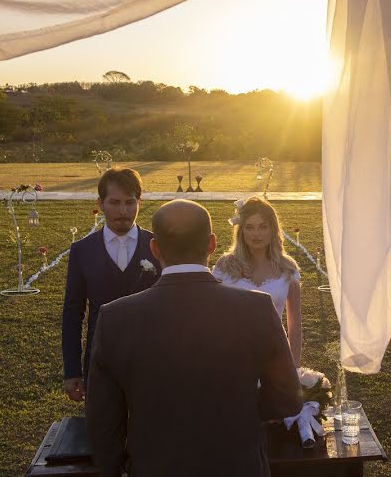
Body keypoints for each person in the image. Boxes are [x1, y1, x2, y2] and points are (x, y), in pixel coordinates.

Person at [85, 200, 302, 477]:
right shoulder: (257, 309)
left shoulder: (115, 317)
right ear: (211, 244)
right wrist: (241, 405)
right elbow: (287, 398)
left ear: (154, 249)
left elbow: (102, 422)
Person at [61, 167, 161, 402]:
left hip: (152, 360)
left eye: (129, 202)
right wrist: (73, 370)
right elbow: (73, 312)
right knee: (104, 432)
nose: (123, 211)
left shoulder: (158, 246)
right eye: (114, 202)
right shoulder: (82, 251)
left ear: (139, 201)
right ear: (101, 203)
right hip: (101, 360)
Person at [212, 196, 303, 366]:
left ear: (272, 229)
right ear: (241, 231)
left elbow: (295, 325)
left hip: (274, 353)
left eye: (262, 227)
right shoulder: (224, 265)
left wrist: (295, 369)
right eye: (249, 227)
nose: (256, 234)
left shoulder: (287, 268)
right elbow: (212, 315)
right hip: (231, 354)